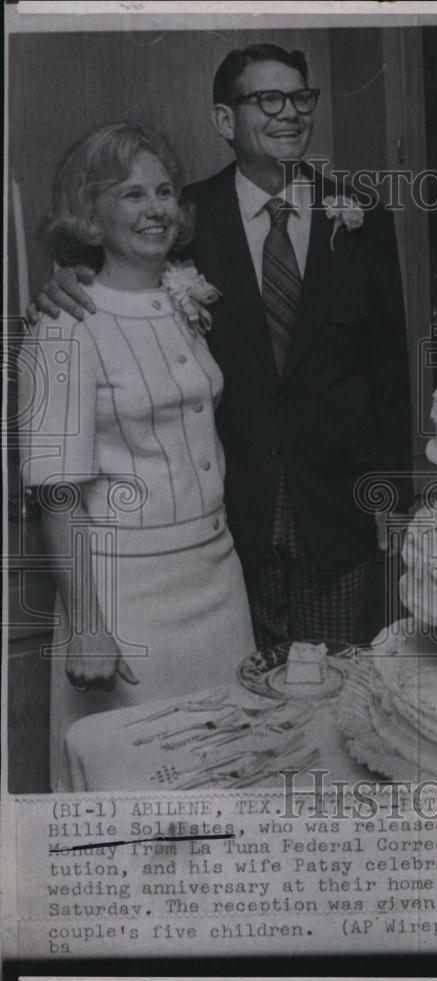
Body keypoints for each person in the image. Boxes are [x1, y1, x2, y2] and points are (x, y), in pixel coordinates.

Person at [32, 43, 413, 648]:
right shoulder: (186, 219)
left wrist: (395, 506)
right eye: (267, 98)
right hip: (230, 525)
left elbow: (391, 373)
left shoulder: (362, 216)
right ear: (224, 121)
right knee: (242, 718)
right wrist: (60, 281)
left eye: (300, 98)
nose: (289, 113)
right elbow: (115, 269)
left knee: (337, 701)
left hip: (340, 516)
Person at [20, 122, 256, 791]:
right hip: (128, 599)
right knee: (141, 790)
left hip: (216, 578)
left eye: (163, 192)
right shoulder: (64, 323)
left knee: (227, 777)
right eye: (129, 194)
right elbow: (55, 491)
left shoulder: (184, 298)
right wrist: (88, 627)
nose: (155, 208)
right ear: (88, 215)